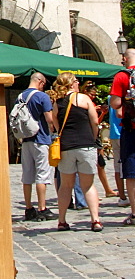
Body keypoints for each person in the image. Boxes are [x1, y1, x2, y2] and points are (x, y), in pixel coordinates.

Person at [52, 72, 102, 232]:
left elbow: (55, 124)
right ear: (71, 83)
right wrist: (93, 138)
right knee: (88, 185)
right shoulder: (84, 98)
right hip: (85, 144)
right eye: (75, 80)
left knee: (66, 185)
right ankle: (95, 220)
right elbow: (94, 121)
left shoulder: (57, 102)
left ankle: (62, 220)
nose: (78, 83)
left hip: (66, 147)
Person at [19, 71, 56, 221]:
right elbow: (49, 118)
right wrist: (54, 129)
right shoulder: (42, 96)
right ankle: (42, 208)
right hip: (41, 139)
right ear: (40, 82)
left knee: (27, 175)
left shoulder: (20, 97)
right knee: (42, 174)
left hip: (26, 139)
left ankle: (28, 208)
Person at [109, 47, 135, 224]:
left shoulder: (122, 76)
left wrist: (120, 106)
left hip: (131, 130)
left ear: (125, 58)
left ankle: (134, 213)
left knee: (132, 175)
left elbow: (115, 103)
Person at [81, 81, 118, 198]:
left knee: (100, 164)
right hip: (89, 137)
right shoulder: (84, 103)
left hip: (94, 136)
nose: (93, 97)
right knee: (91, 166)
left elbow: (96, 121)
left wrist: (102, 113)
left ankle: (106, 189)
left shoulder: (89, 103)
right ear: (85, 92)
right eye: (92, 95)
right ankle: (90, 192)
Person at [109, 101, 127, 203]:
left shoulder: (110, 97)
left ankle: (122, 196)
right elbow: (120, 114)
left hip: (114, 134)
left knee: (118, 166)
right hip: (125, 132)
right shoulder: (126, 94)